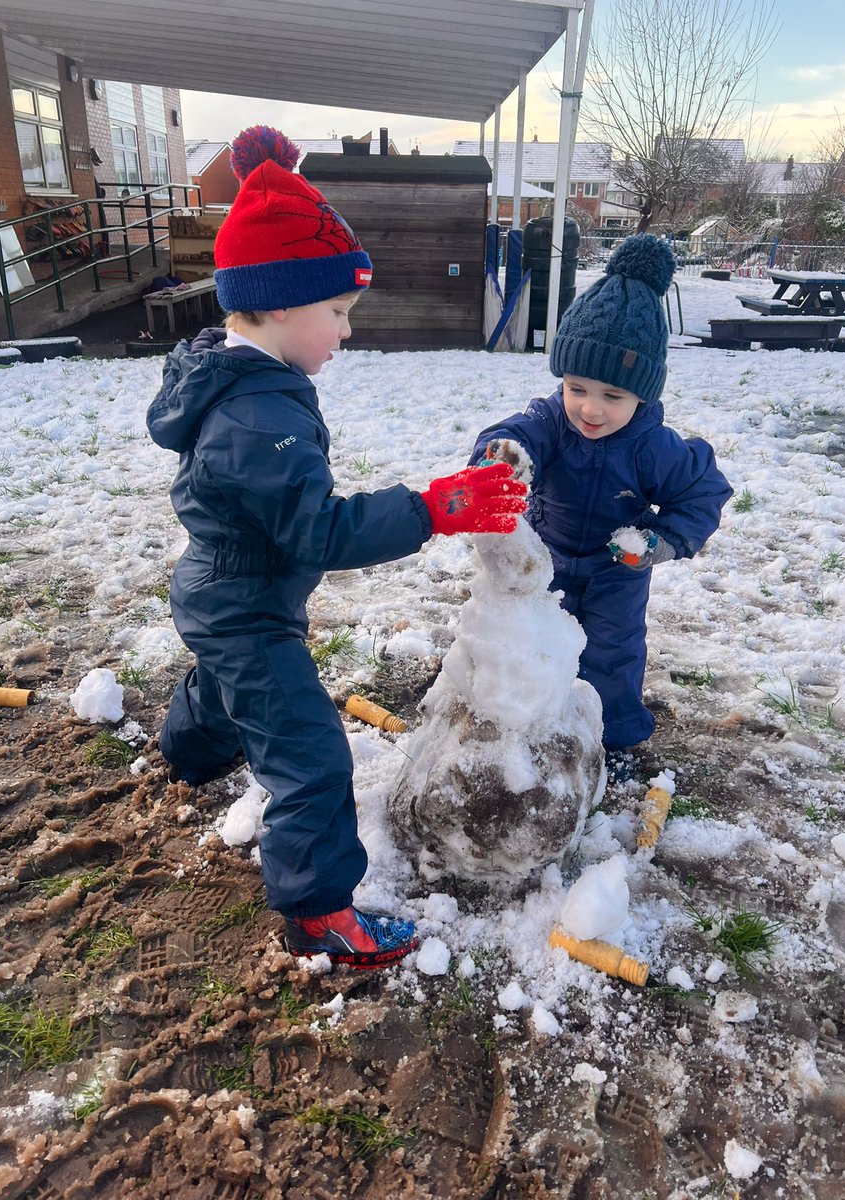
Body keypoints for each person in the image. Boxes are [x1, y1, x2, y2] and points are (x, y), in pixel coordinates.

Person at [146, 126, 526, 969]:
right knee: (311, 756)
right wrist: (429, 510)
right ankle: (318, 914)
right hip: (246, 608)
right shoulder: (258, 416)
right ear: (281, 304)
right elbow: (319, 527)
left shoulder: (251, 381)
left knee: (231, 689)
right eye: (339, 313)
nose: (347, 332)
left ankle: (184, 752)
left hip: (228, 595)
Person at [470, 234, 732, 773]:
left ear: (642, 395)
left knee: (613, 652)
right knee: (534, 641)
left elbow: (701, 491)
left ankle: (613, 742)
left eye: (613, 396)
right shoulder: (550, 422)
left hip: (618, 568)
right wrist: (503, 459)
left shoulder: (653, 446)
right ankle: (536, 723)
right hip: (547, 557)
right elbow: (513, 435)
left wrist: (663, 541)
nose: (590, 409)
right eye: (577, 388)